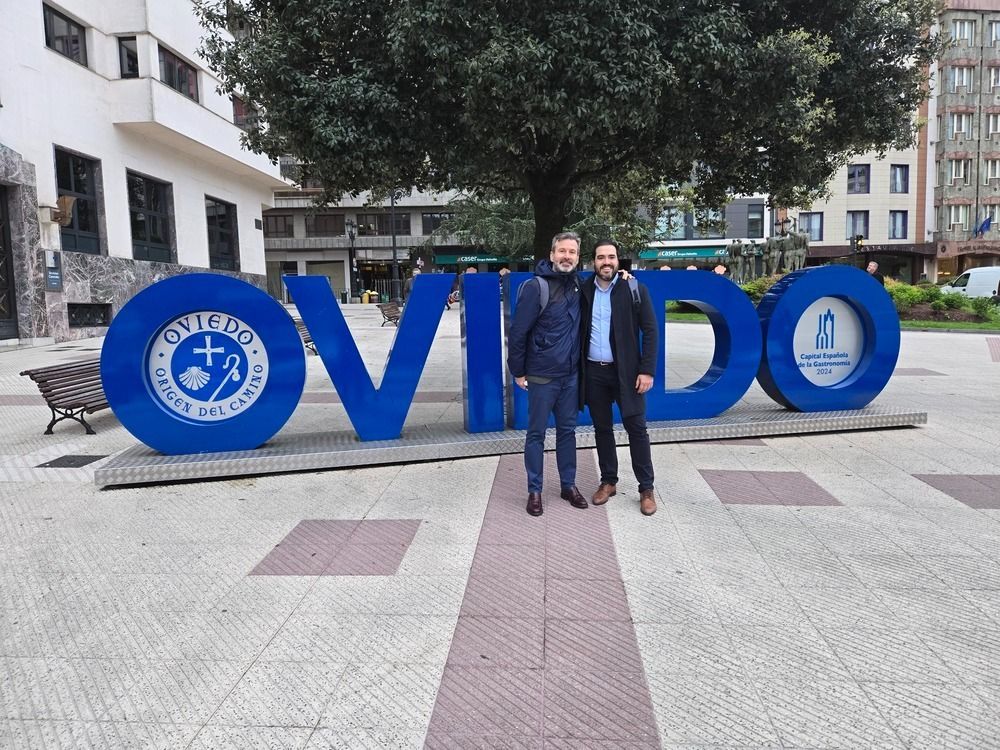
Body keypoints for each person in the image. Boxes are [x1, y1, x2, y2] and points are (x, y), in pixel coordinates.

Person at [507, 232, 589, 517]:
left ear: (578, 257)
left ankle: (568, 485)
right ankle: (535, 490)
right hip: (541, 376)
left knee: (568, 432)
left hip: (570, 377)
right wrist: (518, 371)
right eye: (562, 251)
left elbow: (609, 286)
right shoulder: (535, 287)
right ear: (552, 254)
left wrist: (625, 276)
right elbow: (518, 332)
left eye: (572, 252)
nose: (567, 256)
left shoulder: (580, 285)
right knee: (536, 434)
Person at [580, 240, 659, 516]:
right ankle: (608, 481)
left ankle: (646, 489)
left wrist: (647, 370)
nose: (607, 262)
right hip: (594, 372)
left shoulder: (634, 288)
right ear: (593, 262)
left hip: (627, 373)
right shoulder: (584, 289)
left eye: (611, 257)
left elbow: (650, 331)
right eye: (601, 257)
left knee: (637, 429)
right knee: (602, 429)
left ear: (618, 261)